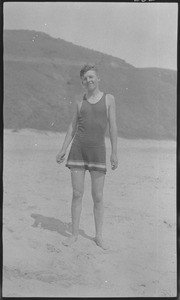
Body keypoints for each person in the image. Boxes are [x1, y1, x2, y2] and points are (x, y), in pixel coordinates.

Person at [56, 64, 118, 249]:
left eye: (91, 77)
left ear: (98, 78)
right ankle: (74, 234)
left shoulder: (109, 99)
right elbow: (71, 128)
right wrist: (63, 149)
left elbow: (113, 126)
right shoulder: (79, 102)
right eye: (85, 79)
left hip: (98, 152)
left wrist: (115, 152)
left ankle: (99, 236)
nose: (88, 80)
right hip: (78, 151)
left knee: (98, 196)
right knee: (77, 193)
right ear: (82, 83)